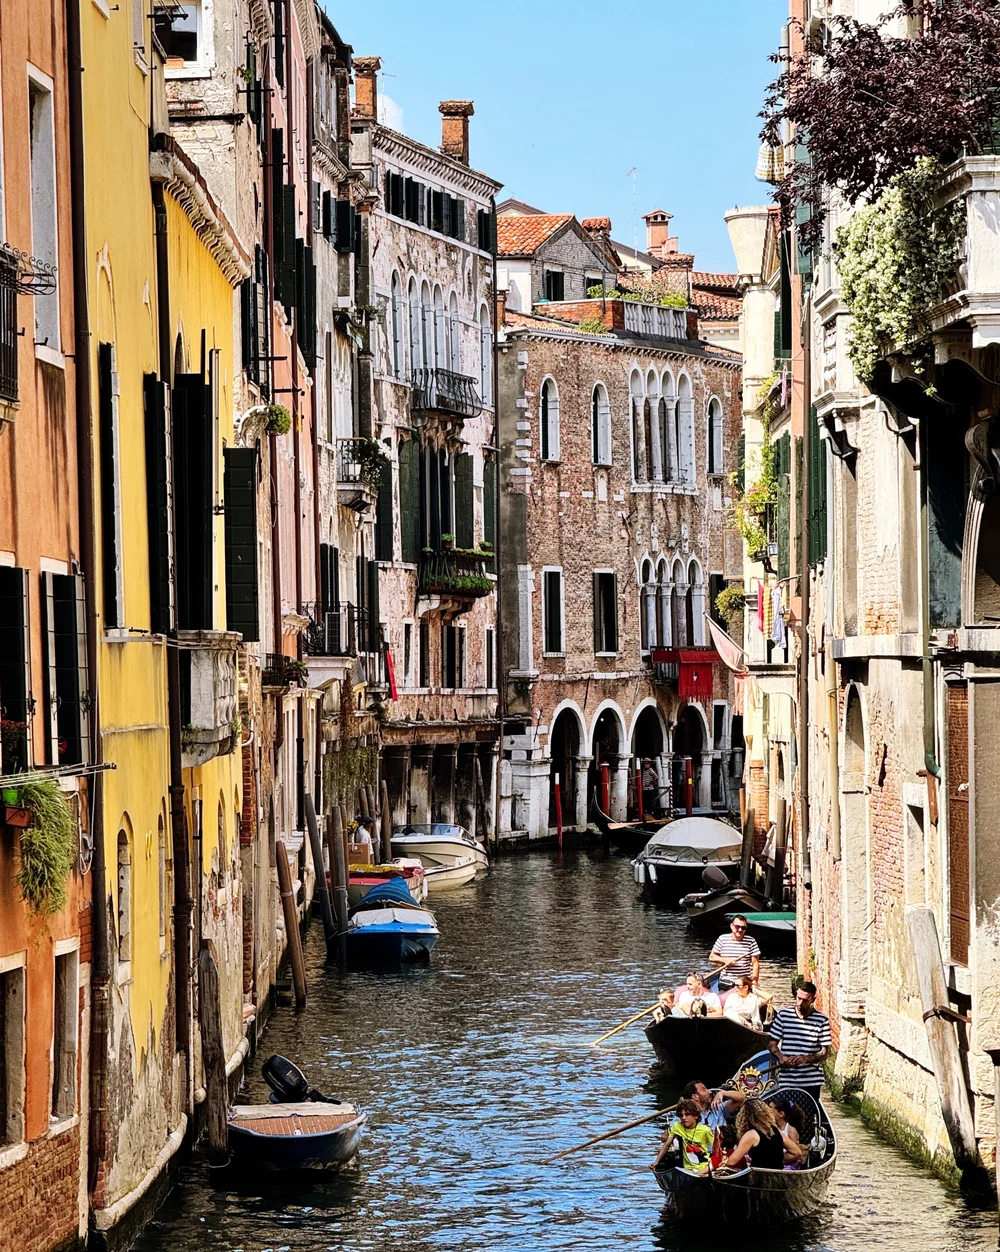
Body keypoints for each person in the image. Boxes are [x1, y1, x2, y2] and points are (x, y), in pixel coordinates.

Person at [768, 981, 832, 1105]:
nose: (800, 1003)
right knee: (786, 1115)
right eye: (799, 998)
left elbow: (824, 1053)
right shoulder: (783, 1016)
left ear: (813, 999)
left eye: (805, 1000)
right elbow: (772, 1044)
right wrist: (781, 1057)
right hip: (787, 1079)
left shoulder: (822, 1020)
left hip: (811, 1081)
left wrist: (805, 1059)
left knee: (807, 1117)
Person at [651, 1098, 715, 1174]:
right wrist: (656, 1162)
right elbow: (666, 1145)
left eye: (687, 1115)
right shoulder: (677, 1127)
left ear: (696, 1116)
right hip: (688, 1168)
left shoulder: (705, 1130)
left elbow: (715, 1148)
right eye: (681, 1115)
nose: (684, 1118)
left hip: (703, 1166)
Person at [721, 1097, 786, 1170]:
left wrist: (716, 1163)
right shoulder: (774, 1129)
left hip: (759, 1177)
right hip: (779, 1176)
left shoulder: (751, 1134)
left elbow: (731, 1161)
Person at [709, 916, 761, 984]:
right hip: (726, 981)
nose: (740, 930)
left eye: (743, 928)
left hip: (744, 982)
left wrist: (754, 982)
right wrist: (725, 960)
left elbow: (755, 964)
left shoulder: (751, 941)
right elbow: (712, 957)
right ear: (731, 926)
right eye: (737, 926)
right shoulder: (722, 939)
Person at [768, 1094, 808, 1168]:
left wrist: (775, 1159)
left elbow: (794, 1154)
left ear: (781, 1114)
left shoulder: (791, 1130)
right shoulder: (770, 1127)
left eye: (770, 1110)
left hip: (787, 1163)